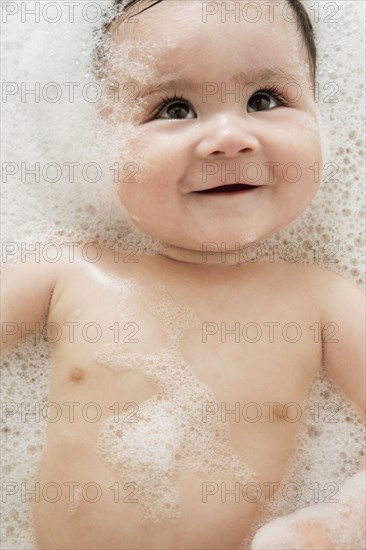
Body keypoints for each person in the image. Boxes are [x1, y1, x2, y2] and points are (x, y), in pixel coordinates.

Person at [1, 0, 364, 548]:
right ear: (103, 143)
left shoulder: (324, 302)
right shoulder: (66, 272)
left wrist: (343, 519)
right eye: (174, 108)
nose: (228, 137)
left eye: (265, 99)